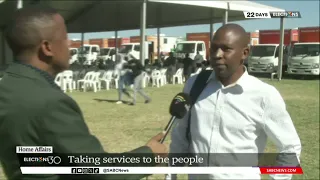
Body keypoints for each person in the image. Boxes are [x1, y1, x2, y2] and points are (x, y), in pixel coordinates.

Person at [0, 6, 168, 180]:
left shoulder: (8, 87)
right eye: (65, 37)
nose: (70, 43)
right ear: (47, 48)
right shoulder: (49, 102)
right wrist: (148, 155)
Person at [166, 24, 301, 180]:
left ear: (245, 53)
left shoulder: (264, 95)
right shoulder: (194, 85)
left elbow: (290, 147)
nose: (217, 54)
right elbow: (180, 135)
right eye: (214, 48)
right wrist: (171, 175)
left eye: (226, 49)